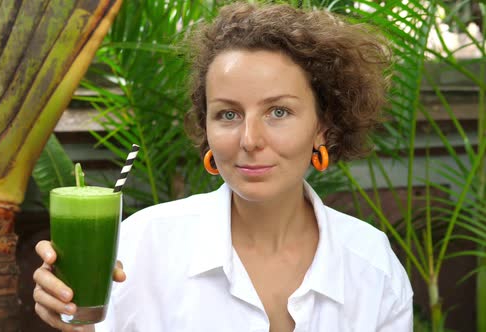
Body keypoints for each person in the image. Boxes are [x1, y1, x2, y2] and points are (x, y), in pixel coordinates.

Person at [32, 2, 414, 331]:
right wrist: (74, 323)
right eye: (228, 114)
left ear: (322, 126)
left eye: (278, 111)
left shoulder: (371, 265)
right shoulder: (139, 247)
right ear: (206, 127)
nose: (249, 139)